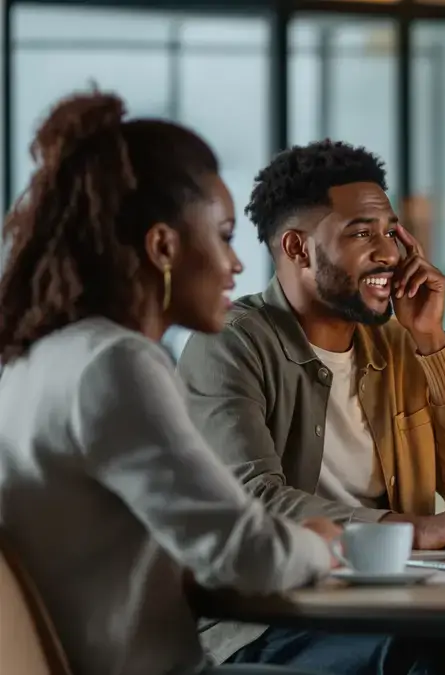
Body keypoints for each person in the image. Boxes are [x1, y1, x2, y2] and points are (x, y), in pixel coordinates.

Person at [0, 90, 336, 675]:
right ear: (163, 246)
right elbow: (244, 553)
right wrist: (326, 543)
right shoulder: (116, 365)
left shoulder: (36, 361)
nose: (236, 264)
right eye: (226, 235)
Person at [176, 140, 445, 674]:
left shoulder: (399, 344)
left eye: (391, 231)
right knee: (435, 662)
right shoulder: (230, 344)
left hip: (395, 609)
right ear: (297, 248)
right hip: (268, 621)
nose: (389, 253)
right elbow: (251, 499)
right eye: (361, 233)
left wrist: (432, 342)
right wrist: (409, 528)